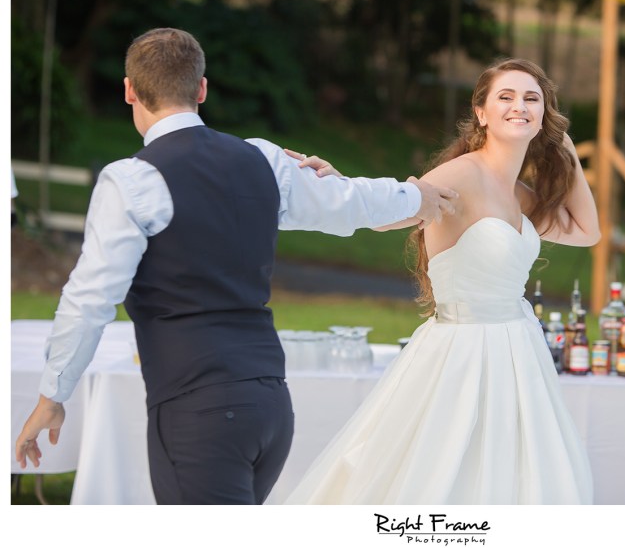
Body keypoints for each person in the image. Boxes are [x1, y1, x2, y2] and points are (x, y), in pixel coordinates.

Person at [13, 27, 458, 505]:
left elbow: (90, 300)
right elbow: (346, 202)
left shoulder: (130, 181)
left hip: (197, 411)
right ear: (202, 89)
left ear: (128, 90)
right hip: (269, 406)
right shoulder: (262, 158)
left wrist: (51, 397)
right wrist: (417, 195)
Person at [285, 57, 600, 504]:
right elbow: (390, 214)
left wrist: (566, 148)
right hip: (463, 352)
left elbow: (587, 231)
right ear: (482, 113)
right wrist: (338, 183)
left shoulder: (519, 194)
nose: (520, 106)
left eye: (532, 99)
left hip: (519, 350)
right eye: (505, 97)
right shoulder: (462, 176)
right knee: (440, 475)